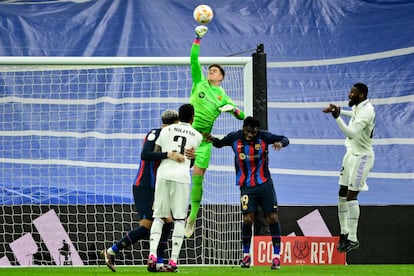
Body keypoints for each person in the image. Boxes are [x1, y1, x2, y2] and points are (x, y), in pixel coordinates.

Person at [100, 109, 194, 272]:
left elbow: (185, 163)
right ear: (176, 123)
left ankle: (158, 263)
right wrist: (168, 154)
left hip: (159, 187)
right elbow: (145, 154)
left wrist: (190, 157)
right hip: (144, 186)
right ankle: (111, 252)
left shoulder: (174, 139)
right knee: (147, 226)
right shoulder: (155, 134)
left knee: (167, 223)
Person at [185, 25, 246, 238]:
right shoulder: (199, 82)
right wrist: (197, 39)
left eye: (215, 70)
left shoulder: (223, 96)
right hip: (186, 136)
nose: (210, 70)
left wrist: (234, 109)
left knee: (198, 177)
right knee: (174, 170)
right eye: (209, 69)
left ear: (221, 77)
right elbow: (193, 60)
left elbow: (242, 116)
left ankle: (192, 216)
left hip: (204, 140)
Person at [207, 116, 289, 270]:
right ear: (244, 127)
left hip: (265, 184)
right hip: (246, 187)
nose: (251, 135)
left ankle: (276, 257)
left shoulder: (264, 136)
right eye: (249, 132)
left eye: (254, 132)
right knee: (247, 219)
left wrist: (280, 143)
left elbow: (285, 138)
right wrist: (212, 139)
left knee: (272, 217)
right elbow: (219, 144)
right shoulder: (234, 137)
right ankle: (246, 255)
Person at [147, 104, 202, 272]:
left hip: (163, 175)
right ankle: (173, 261)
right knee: (179, 219)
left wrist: (168, 153)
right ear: (192, 117)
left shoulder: (166, 131)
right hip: (181, 177)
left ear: (180, 116)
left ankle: (152, 254)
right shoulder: (197, 136)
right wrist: (191, 157)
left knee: (158, 216)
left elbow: (156, 152)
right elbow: (190, 160)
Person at [322, 82, 375, 253]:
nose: (348, 95)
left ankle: (353, 237)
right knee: (342, 193)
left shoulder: (367, 111)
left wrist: (337, 117)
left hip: (362, 158)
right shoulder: (360, 107)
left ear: (361, 95)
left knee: (352, 196)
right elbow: (353, 114)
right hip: (351, 154)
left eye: (352, 93)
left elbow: (351, 133)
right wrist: (338, 110)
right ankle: (344, 232)